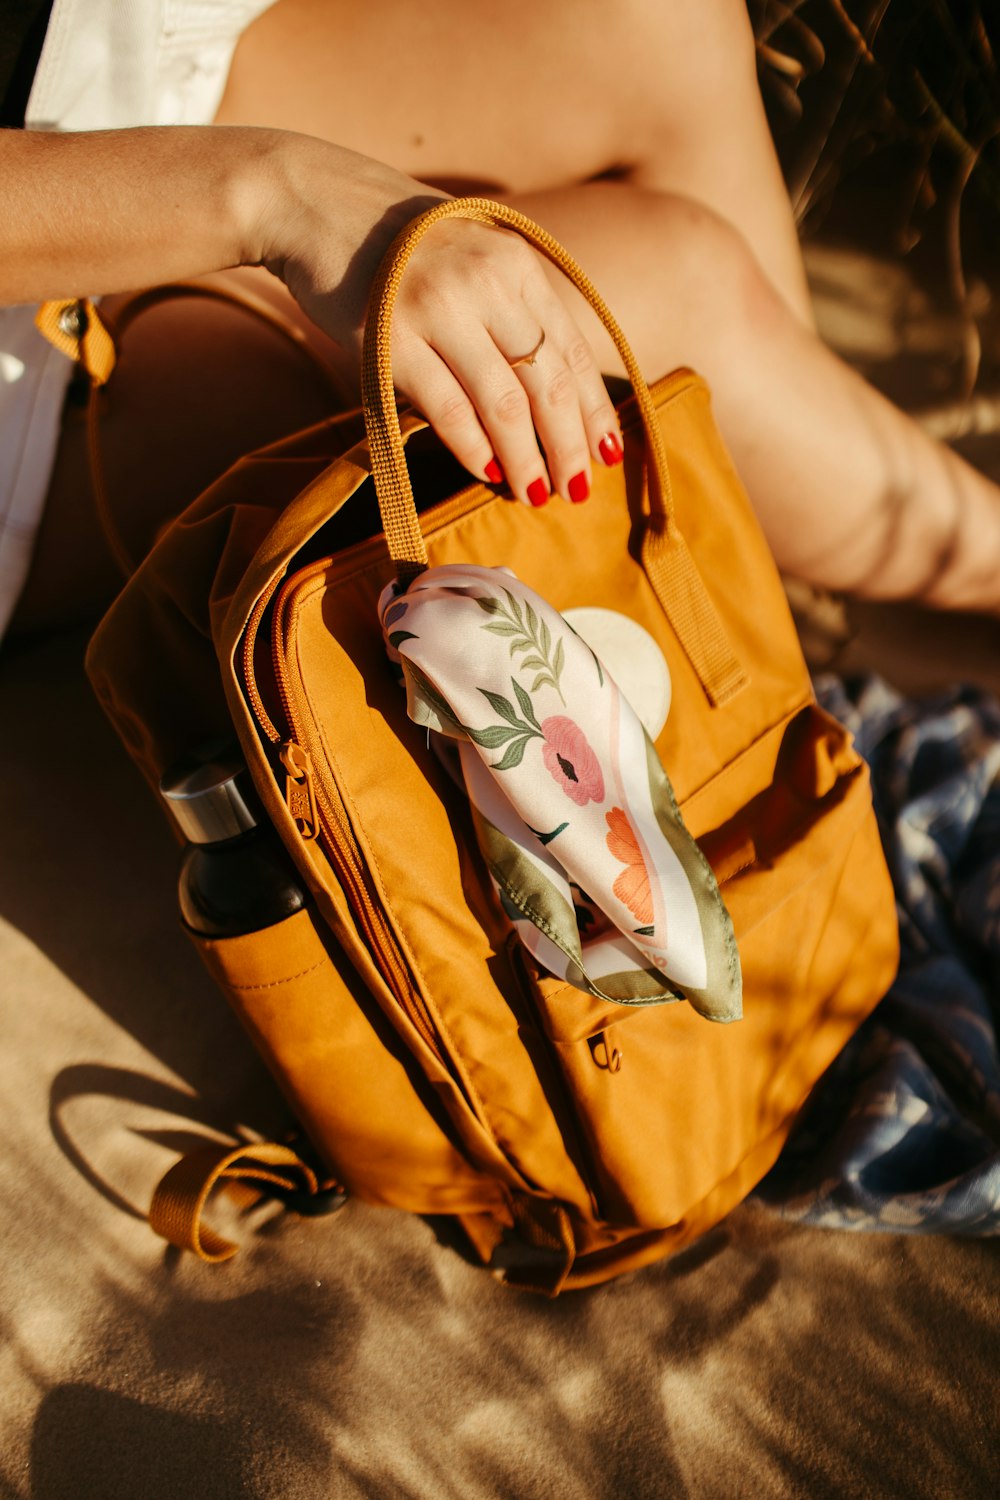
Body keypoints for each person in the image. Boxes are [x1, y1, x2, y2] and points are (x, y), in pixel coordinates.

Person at [3, 0, 1000, 635]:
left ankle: (748, 565)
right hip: (31, 347)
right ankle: (942, 563)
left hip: (110, 77)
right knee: (664, 282)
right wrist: (277, 194)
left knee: (661, 24)